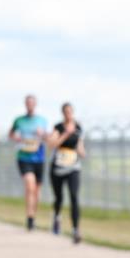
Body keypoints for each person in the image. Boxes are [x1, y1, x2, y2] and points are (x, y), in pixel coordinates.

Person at [9, 94, 49, 230]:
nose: (30, 105)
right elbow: (11, 134)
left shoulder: (42, 121)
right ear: (25, 104)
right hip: (24, 157)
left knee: (37, 191)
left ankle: (33, 216)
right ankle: (29, 217)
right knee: (30, 186)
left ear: (35, 104)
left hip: (39, 158)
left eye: (32, 103)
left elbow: (48, 138)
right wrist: (15, 137)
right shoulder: (19, 120)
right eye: (28, 103)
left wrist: (42, 134)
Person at [47, 102, 85, 244]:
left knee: (74, 196)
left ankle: (76, 230)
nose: (68, 114)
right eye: (66, 112)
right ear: (63, 113)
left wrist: (82, 152)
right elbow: (51, 144)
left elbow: (80, 146)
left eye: (70, 111)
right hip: (57, 167)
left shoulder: (78, 127)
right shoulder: (58, 127)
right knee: (59, 198)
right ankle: (57, 217)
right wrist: (66, 134)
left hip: (73, 167)